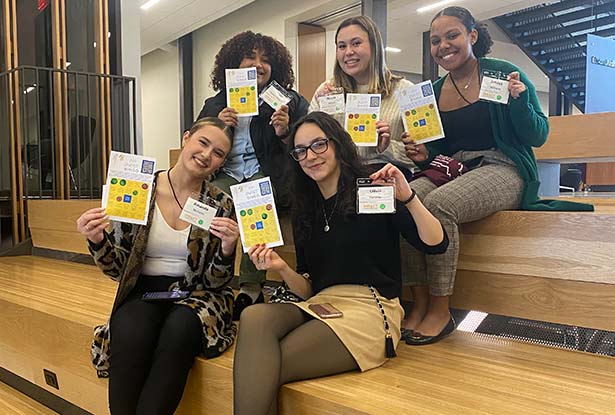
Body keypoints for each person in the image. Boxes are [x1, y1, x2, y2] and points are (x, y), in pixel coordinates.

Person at [232, 112, 448, 415]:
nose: (310, 156)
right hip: (321, 304)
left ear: (338, 145)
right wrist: (281, 268)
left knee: (265, 365)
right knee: (255, 318)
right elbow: (309, 289)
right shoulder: (305, 209)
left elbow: (436, 244)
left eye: (319, 145)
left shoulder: (370, 190)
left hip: (370, 309)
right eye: (301, 150)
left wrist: (409, 197)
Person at [401, 6, 593, 346]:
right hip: (455, 167)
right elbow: (440, 149)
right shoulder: (430, 91)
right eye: (435, 41)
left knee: (439, 205)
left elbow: (538, 136)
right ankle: (419, 302)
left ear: (472, 36)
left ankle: (442, 309)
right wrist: (422, 154)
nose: (443, 46)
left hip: (503, 166)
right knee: (405, 201)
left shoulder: (504, 74)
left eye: (452, 35)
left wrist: (518, 101)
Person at [77, 118, 240, 415]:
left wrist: (228, 249)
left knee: (178, 333)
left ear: (221, 162)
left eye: (218, 153)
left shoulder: (221, 203)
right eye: (203, 143)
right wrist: (98, 239)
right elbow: (118, 270)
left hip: (198, 296)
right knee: (129, 333)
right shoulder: (138, 189)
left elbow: (216, 282)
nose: (207, 155)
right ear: (186, 138)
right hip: (145, 291)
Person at [196, 31, 309, 319]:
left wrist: (285, 132)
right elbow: (196, 141)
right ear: (233, 62)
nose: (259, 65)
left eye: (266, 60)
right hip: (227, 172)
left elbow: (307, 143)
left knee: (254, 201)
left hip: (266, 174)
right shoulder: (215, 102)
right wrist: (218, 126)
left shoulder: (287, 100)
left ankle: (251, 287)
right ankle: (204, 278)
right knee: (210, 202)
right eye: (251, 57)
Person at [309, 15, 415, 178]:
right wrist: (321, 117)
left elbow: (420, 157)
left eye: (356, 43)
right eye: (342, 46)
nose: (349, 52)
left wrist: (386, 148)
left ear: (375, 46)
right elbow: (309, 144)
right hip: (337, 176)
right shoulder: (326, 91)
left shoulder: (405, 91)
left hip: (385, 176)